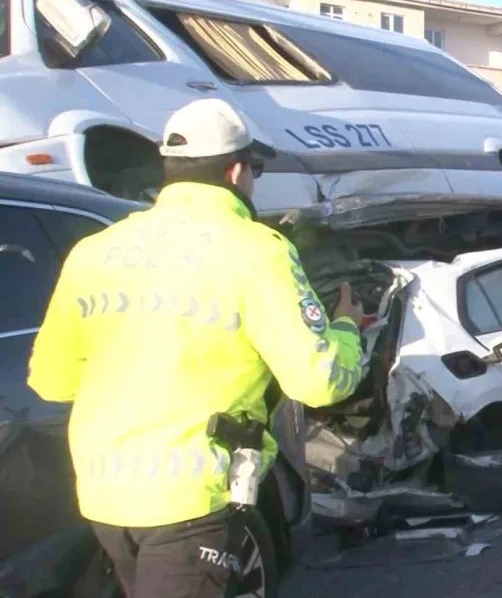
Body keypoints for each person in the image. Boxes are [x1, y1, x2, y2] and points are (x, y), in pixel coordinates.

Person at [27, 99, 366, 598]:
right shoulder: (256, 248)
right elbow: (319, 380)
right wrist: (346, 328)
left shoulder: (94, 250)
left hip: (104, 494)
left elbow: (51, 380)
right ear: (235, 171)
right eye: (254, 170)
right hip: (192, 497)